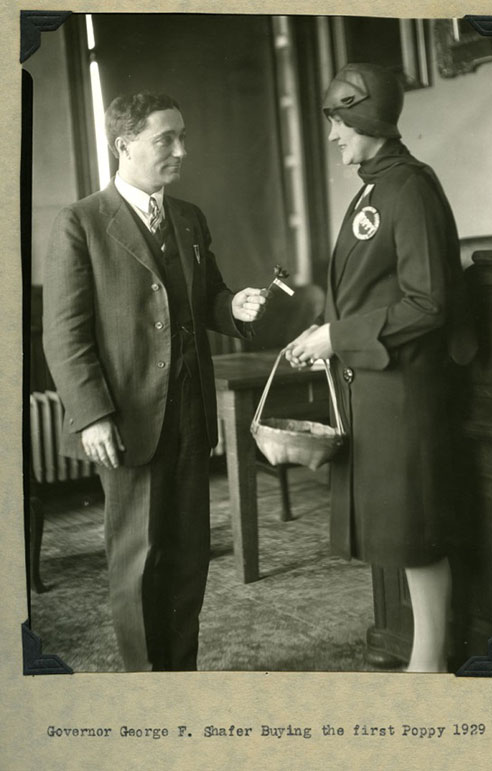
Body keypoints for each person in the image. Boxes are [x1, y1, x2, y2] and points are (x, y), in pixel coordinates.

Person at [43, 92, 267, 672]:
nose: (181, 150)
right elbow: (64, 333)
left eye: (182, 136)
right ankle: (147, 690)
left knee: (189, 556)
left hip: (191, 415)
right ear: (125, 145)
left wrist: (233, 306)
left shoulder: (189, 217)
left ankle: (181, 679)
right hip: (127, 420)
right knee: (138, 559)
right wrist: (91, 414)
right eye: (166, 139)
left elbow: (207, 298)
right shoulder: (82, 222)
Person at [285, 63, 477, 672]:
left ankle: (429, 665)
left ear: (363, 118)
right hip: (376, 385)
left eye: (340, 122)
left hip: (406, 391)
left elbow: (430, 302)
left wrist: (337, 336)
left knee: (415, 532)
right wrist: (324, 334)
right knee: (399, 529)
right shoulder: (374, 186)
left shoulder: (408, 188)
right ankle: (425, 658)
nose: (335, 135)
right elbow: (369, 291)